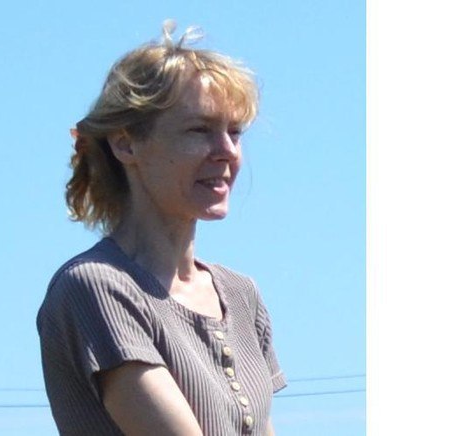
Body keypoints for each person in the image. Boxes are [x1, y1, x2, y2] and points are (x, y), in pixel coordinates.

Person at [37, 20, 286, 436]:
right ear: (126, 143)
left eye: (235, 132)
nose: (227, 151)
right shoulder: (97, 287)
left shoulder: (242, 296)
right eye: (199, 130)